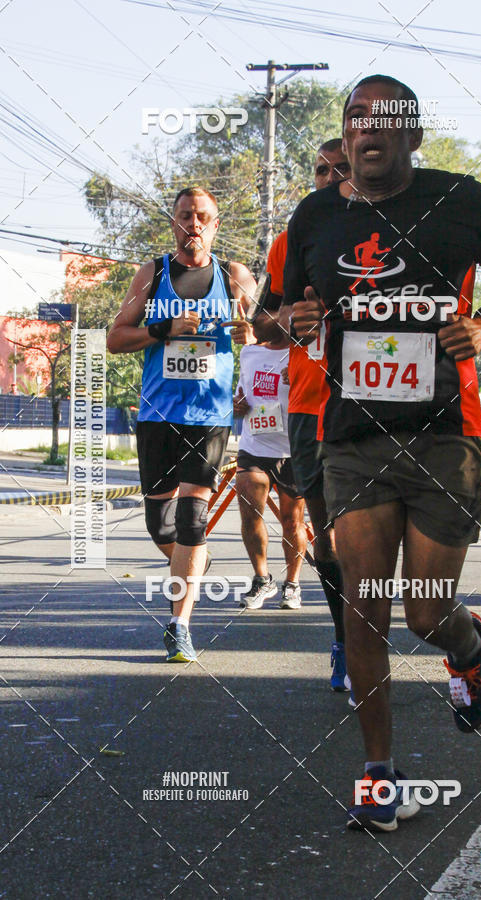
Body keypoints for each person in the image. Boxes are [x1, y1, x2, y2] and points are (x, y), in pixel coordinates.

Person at [284, 74, 481, 832]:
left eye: (384, 119)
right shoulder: (317, 215)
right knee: (365, 606)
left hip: (446, 431)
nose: (368, 130)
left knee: (424, 613)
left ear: (412, 135)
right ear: (346, 136)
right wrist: (294, 318)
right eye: (355, 118)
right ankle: (378, 776)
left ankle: (466, 642)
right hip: (353, 437)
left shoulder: (460, 198)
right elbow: (282, 311)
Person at [107, 187, 255, 662]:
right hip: (157, 414)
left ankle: (180, 625)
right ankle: (192, 561)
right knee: (161, 523)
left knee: (193, 518)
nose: (195, 223)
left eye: (204, 216)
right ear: (173, 222)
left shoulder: (235, 277)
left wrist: (251, 334)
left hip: (210, 415)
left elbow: (266, 332)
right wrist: (162, 330)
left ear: (215, 224)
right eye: (186, 215)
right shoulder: (152, 276)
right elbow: (115, 337)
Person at [270, 138, 352, 690]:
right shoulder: (290, 238)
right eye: (320, 169)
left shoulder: (390, 231)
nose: (327, 177)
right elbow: (262, 323)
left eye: (339, 168)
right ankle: (347, 638)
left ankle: (373, 627)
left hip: (373, 403)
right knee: (325, 533)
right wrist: (292, 317)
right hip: (306, 403)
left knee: (370, 531)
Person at [233, 299, 307, 609]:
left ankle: (292, 583)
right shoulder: (250, 353)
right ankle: (262, 579)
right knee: (250, 509)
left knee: (292, 521)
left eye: (283, 313)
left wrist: (303, 378)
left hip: (294, 449)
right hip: (255, 446)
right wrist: (237, 406)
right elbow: (241, 394)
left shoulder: (306, 354)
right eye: (267, 314)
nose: (275, 319)